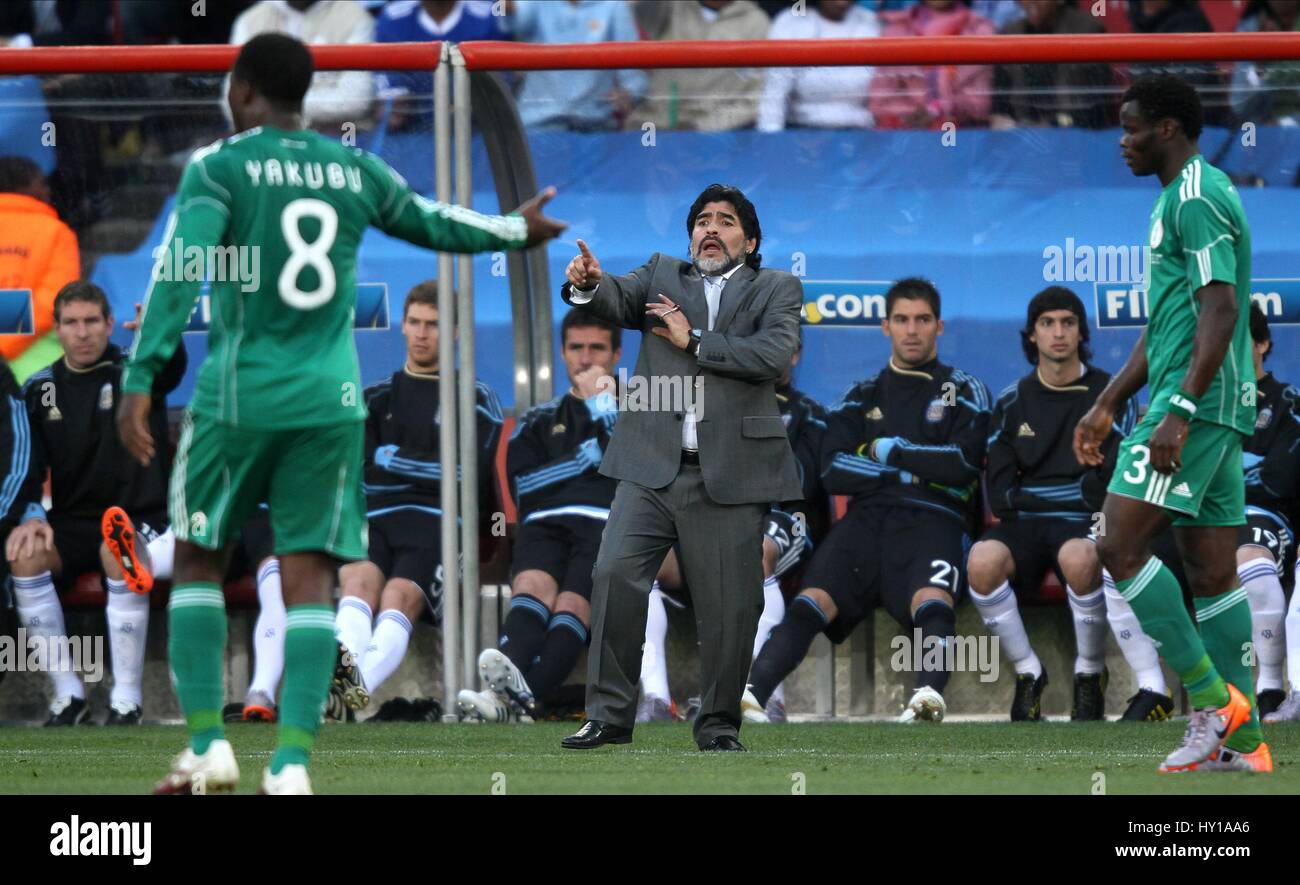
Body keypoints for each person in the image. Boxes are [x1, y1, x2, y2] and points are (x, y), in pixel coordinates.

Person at [117, 33, 565, 795]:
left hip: (238, 395)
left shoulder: (218, 167)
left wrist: (141, 372)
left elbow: (180, 272)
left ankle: (206, 747)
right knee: (312, 580)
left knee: (197, 557)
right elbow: (433, 221)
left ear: (247, 90)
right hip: (330, 401)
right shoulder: (352, 167)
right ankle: (291, 764)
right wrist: (513, 231)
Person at [558, 183, 803, 751]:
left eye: (725, 220)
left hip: (731, 472)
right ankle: (610, 717)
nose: (710, 228)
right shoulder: (661, 274)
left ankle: (717, 725)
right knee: (613, 574)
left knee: (732, 605)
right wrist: (588, 284)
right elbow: (614, 298)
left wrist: (692, 339)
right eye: (701, 220)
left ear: (751, 239)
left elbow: (772, 355)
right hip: (649, 466)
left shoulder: (777, 288)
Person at [1074, 74, 1267, 773]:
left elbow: (1221, 309)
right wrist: (1106, 400)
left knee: (1117, 541)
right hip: (1211, 405)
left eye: (1129, 127)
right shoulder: (1173, 200)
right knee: (1211, 571)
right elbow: (1170, 324)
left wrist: (1179, 409)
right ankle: (1244, 745)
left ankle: (1217, 706)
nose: (1120, 140)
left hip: (1200, 406)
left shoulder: (1197, 195)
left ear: (1167, 129)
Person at [743, 278, 990, 723]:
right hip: (867, 521)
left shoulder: (964, 390)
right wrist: (912, 469)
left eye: (921, 320)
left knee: (932, 603)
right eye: (901, 320)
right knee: (811, 601)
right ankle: (751, 697)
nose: (911, 330)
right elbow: (833, 470)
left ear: (939, 326)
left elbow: (964, 465)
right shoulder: (860, 396)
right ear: (885, 327)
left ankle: (926, 700)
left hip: (936, 518)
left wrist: (887, 450)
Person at [970, 286, 1176, 723]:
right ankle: (1029, 672)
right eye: (1047, 324)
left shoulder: (1110, 395)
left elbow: (1110, 485)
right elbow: (1003, 494)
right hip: (1024, 524)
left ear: (1081, 332)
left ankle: (1089, 674)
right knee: (981, 561)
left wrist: (1047, 491)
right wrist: (1066, 487)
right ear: (1032, 336)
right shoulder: (1010, 402)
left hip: (1089, 520)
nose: (1058, 333)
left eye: (1067, 323)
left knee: (1080, 556)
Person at [6, 282, 184, 726]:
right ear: (58, 330)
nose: (82, 333)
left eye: (91, 321)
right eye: (71, 323)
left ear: (109, 325)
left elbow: (171, 371)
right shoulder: (40, 388)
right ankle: (68, 696)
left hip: (139, 516)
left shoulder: (136, 372)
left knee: (116, 551)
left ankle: (127, 698)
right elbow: (28, 460)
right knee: (26, 557)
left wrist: (162, 336)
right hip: (72, 521)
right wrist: (29, 514)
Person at [332, 281, 503, 716]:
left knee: (397, 597)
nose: (422, 333)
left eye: (433, 324)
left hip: (439, 523)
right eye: (414, 322)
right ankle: (343, 697)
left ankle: (343, 697)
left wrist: (394, 459)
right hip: (380, 518)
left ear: (455, 332)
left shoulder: (475, 399)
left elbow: (468, 475)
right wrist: (425, 464)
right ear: (403, 326)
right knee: (356, 582)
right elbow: (362, 472)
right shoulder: (374, 399)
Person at [643, 341, 828, 724]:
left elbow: (796, 483)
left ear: (794, 355)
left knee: (756, 552)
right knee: (646, 558)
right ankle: (657, 700)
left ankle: (758, 695)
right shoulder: (713, 401)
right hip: (713, 519)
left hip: (786, 520)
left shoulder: (811, 414)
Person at [459, 308, 622, 722]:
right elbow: (525, 486)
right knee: (532, 585)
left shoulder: (641, 410)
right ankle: (519, 703)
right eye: (576, 348)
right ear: (563, 354)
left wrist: (604, 409)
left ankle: (506, 702)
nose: (585, 360)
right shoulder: (537, 420)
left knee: (573, 601)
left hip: (607, 522)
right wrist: (590, 456)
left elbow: (638, 468)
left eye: (596, 349)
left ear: (617, 354)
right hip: (545, 522)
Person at [1236, 304, 1299, 720]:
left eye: (1241, 340)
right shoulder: (1196, 402)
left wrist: (1219, 471)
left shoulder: (1286, 403)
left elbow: (1280, 479)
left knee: (1250, 559)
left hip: (1267, 516)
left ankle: (1270, 686)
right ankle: (1153, 686)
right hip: (1196, 516)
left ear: (1263, 343)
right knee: (1124, 558)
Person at [229, 0, 377, 132]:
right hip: (261, 141)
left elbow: (355, 101)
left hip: (339, 139)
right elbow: (230, 100)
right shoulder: (249, 20)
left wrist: (271, 106)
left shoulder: (356, 18)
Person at [505, 0, 646, 131]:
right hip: (538, 126)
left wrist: (629, 95)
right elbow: (514, 16)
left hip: (595, 126)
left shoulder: (614, 6)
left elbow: (634, 76)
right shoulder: (536, 4)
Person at [632, 0, 772, 131]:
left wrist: (702, 127)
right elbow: (636, 7)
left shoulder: (756, 22)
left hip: (717, 138)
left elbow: (754, 99)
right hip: (655, 126)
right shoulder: (671, 7)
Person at [0, 156, 80, 382]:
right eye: (42, 183)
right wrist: (5, 347)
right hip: (36, 367)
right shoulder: (56, 233)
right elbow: (52, 302)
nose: (48, 191)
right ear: (23, 186)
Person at [375, 1, 510, 131]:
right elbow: (389, 89)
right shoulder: (393, 17)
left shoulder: (488, 15)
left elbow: (502, 83)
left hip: (479, 132)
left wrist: (475, 103)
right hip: (410, 132)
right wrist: (395, 103)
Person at [866, 0, 996, 130]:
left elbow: (980, 104)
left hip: (963, 132)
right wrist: (913, 114)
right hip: (907, 133)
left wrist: (937, 111)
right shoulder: (895, 31)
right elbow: (880, 101)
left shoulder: (980, 31)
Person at [758, 0, 880, 132]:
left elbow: (885, 94)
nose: (841, 3)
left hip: (861, 137)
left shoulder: (870, 22)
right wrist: (772, 145)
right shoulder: (790, 22)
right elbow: (774, 95)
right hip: (803, 135)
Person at [990, 0, 1114, 130]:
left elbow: (1098, 106)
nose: (1031, 2)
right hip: (1023, 135)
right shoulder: (1009, 34)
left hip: (1075, 133)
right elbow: (999, 105)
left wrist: (1055, 123)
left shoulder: (1087, 30)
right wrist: (1001, 120)